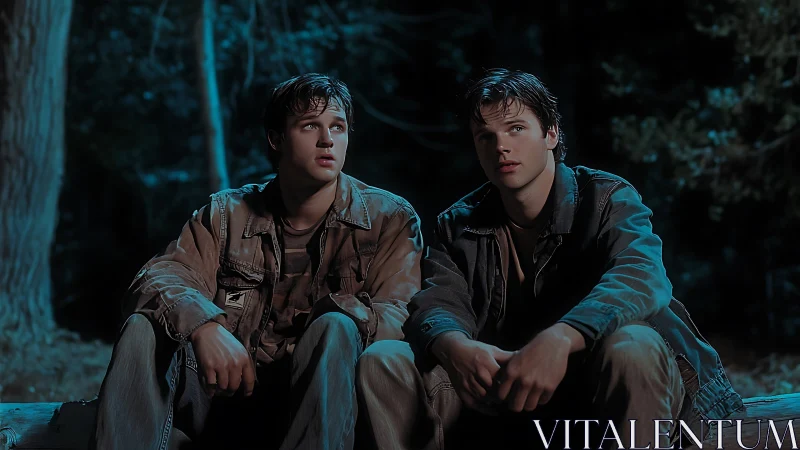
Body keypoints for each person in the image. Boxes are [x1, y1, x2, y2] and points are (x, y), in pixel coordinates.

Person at [356, 68, 743, 449]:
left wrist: (562, 337)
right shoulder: (457, 223)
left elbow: (640, 276)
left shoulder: (605, 199)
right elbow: (438, 299)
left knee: (631, 344)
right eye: (485, 136)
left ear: (551, 134)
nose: (501, 146)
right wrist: (453, 346)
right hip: (509, 397)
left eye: (516, 128)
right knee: (385, 358)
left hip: (603, 383)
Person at [92, 73, 423, 450]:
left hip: (323, 404)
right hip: (225, 394)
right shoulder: (227, 213)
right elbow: (157, 276)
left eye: (338, 126)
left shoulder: (388, 218)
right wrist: (205, 326)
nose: (327, 139)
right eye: (310, 125)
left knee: (337, 326)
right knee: (142, 327)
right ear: (276, 139)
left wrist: (327, 322)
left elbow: (399, 314)